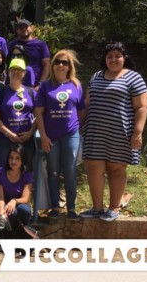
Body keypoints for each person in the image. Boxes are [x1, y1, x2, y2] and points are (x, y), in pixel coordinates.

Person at [80, 42, 147, 223]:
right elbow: (87, 103)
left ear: (124, 57)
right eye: (109, 56)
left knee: (116, 169)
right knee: (94, 169)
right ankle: (96, 208)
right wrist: (78, 124)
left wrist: (137, 132)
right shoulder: (96, 76)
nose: (113, 59)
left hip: (120, 133)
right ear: (105, 59)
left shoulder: (134, 78)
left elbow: (142, 107)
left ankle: (113, 208)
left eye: (117, 56)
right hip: (94, 132)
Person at [34, 49, 86, 219]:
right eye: (57, 62)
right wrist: (43, 135)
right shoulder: (45, 86)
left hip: (71, 135)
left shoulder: (76, 85)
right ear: (53, 65)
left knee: (70, 171)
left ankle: (71, 208)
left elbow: (81, 111)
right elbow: (39, 113)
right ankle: (55, 207)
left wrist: (75, 127)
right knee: (53, 172)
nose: (61, 65)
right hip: (51, 137)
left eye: (65, 62)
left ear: (70, 66)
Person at [0, 57, 36, 169]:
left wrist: (30, 133)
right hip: (5, 140)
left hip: (27, 140)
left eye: (20, 70)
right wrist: (9, 134)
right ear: (8, 72)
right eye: (13, 69)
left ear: (24, 73)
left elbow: (39, 115)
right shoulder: (0, 92)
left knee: (26, 171)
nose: (16, 72)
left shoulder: (31, 92)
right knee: (3, 171)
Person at [0, 144, 37, 241]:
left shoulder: (27, 174)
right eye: (11, 158)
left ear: (23, 160)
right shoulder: (0, 173)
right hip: (2, 204)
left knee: (24, 210)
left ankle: (20, 234)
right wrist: (1, 211)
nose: (13, 161)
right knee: (11, 212)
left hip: (18, 203)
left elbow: (26, 198)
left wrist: (14, 201)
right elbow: (0, 198)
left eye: (17, 158)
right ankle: (8, 236)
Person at [6, 20, 51, 89]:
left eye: (26, 27)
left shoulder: (41, 45)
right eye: (21, 28)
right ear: (17, 31)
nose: (24, 29)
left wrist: (40, 85)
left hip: (35, 86)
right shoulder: (12, 45)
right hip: (15, 84)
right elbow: (8, 63)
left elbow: (47, 65)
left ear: (31, 28)